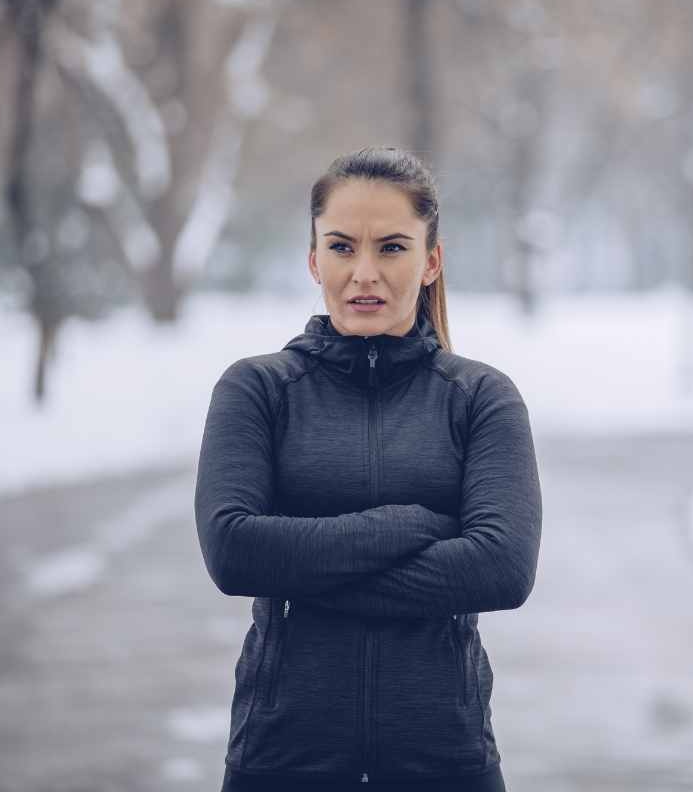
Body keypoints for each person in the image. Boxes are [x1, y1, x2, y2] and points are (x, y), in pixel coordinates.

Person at [194, 146, 543, 791]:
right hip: (281, 760)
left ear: (431, 261)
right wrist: (409, 525)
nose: (364, 273)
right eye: (341, 247)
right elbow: (234, 552)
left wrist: (305, 570)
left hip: (445, 762)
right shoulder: (258, 390)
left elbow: (502, 568)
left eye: (391, 248)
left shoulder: (479, 398)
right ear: (312, 259)